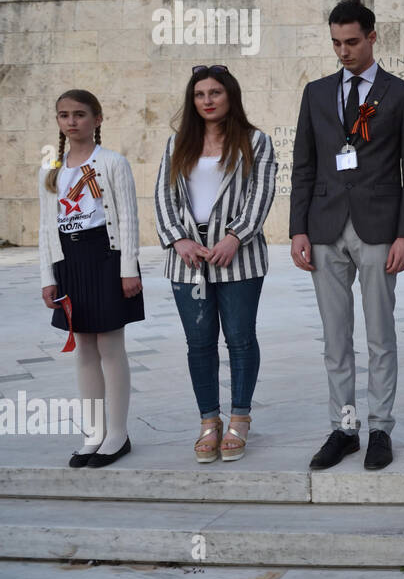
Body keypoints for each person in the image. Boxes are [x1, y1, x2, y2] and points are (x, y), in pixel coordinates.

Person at [291, 0, 404, 471]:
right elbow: (303, 165)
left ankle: (380, 429)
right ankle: (343, 427)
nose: (344, 51)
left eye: (351, 42)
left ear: (372, 37)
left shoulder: (403, 95)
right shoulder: (316, 93)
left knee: (380, 335)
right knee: (335, 337)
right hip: (325, 227)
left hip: (378, 228)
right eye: (336, 43)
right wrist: (297, 230)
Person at [155, 66, 278, 463]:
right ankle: (209, 421)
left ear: (231, 96)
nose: (207, 100)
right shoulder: (178, 144)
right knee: (199, 344)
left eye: (215, 93)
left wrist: (235, 236)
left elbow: (262, 193)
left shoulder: (255, 141)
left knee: (240, 339)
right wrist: (178, 238)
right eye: (199, 94)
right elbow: (162, 197)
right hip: (188, 259)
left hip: (237, 256)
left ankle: (239, 418)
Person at [38, 89, 143, 468]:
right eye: (64, 115)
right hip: (69, 260)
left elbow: (128, 217)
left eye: (80, 114)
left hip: (105, 256)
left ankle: (117, 433)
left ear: (97, 119)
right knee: (82, 346)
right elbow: (45, 227)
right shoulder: (50, 166)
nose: (71, 121)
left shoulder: (112, 162)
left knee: (110, 346)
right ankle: (93, 433)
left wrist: (127, 268)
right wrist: (48, 274)